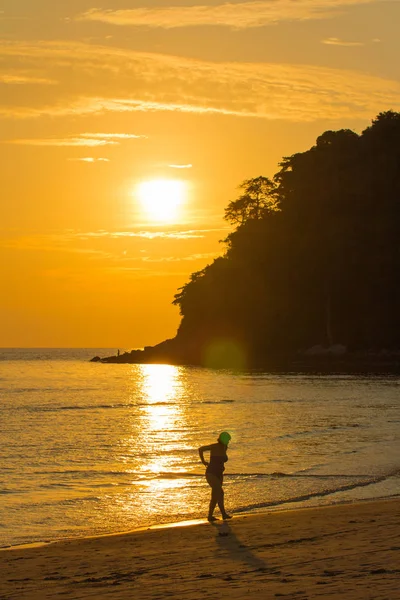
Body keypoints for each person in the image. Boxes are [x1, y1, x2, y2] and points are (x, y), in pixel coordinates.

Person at [198, 431, 232, 522]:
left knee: (215, 496)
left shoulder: (225, 447)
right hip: (211, 473)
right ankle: (223, 514)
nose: (228, 442)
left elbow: (221, 460)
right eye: (227, 440)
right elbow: (200, 449)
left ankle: (210, 516)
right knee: (220, 492)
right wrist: (203, 462)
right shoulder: (214, 446)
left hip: (219, 473)